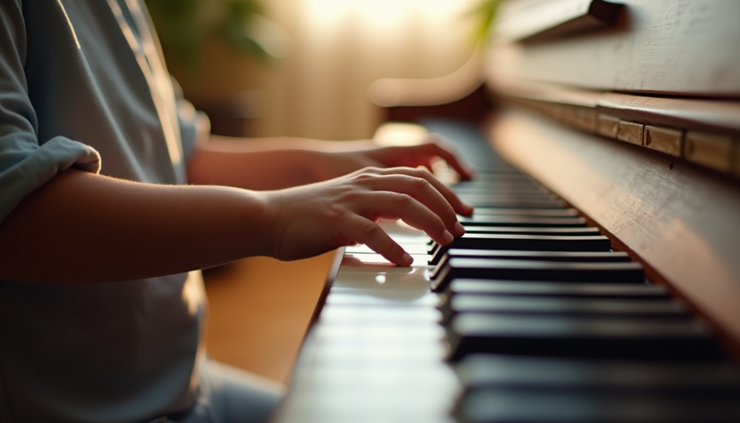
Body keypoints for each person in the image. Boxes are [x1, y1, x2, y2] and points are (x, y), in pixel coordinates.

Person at [0, 1, 474, 422]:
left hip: (182, 389)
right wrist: (276, 217)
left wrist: (316, 162)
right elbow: (18, 220)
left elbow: (180, 155)